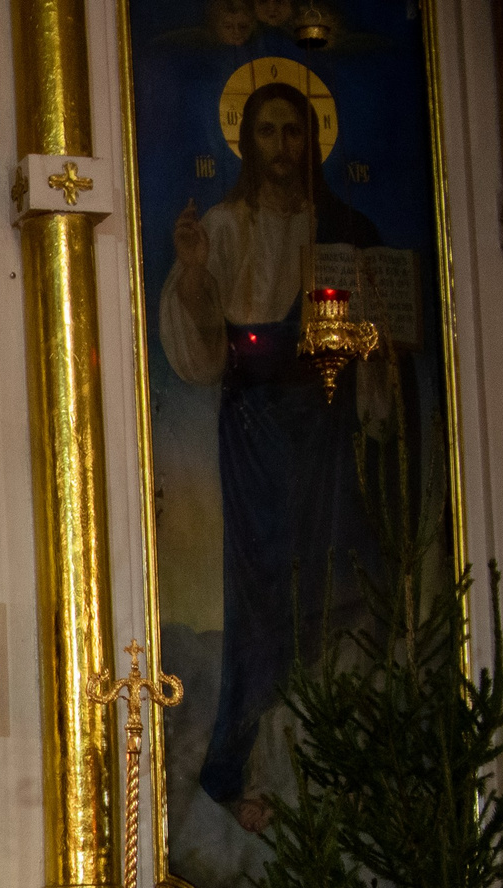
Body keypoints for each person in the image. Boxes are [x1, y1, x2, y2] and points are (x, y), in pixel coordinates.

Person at [159, 80, 396, 833]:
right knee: (263, 595)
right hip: (257, 432)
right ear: (246, 142)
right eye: (265, 133)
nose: (281, 149)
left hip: (326, 430)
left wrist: (374, 362)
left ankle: (336, 767)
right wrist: (195, 270)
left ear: (312, 142)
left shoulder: (343, 228)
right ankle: (243, 766)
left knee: (334, 578)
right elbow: (200, 353)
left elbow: (383, 338)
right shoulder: (224, 228)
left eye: (294, 133)